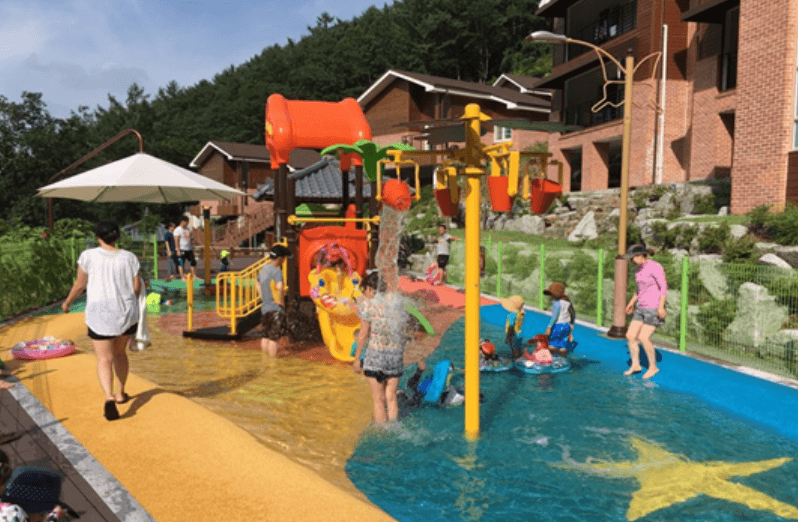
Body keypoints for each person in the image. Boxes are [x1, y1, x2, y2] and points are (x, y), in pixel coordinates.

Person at [62, 221, 141, 421]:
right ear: (117, 237)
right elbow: (136, 287)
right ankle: (120, 393)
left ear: (98, 237)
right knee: (120, 353)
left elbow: (80, 284)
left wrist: (68, 302)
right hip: (125, 311)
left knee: (104, 359)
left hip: (99, 313)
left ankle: (108, 397)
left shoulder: (87, 256)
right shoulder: (129, 257)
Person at [353, 272, 410, 423]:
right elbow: (404, 330)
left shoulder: (368, 306)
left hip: (376, 355)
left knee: (378, 399)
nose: (364, 293)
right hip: (395, 354)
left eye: (365, 290)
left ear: (371, 289)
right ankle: (394, 428)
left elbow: (363, 334)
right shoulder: (396, 303)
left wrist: (357, 358)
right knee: (391, 397)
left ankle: (381, 431)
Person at [623, 244, 668, 380]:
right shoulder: (636, 269)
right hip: (640, 308)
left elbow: (663, 288)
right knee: (630, 336)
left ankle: (653, 367)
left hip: (653, 308)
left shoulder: (655, 267)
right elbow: (639, 289)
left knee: (643, 337)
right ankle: (636, 365)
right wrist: (631, 302)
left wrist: (661, 307)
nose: (631, 260)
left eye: (633, 258)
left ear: (640, 256)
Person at [256, 244, 291, 356]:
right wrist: (281, 301)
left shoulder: (264, 269)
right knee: (274, 338)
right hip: (276, 308)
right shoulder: (277, 271)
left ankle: (265, 359)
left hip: (265, 308)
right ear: (280, 258)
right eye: (284, 258)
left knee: (265, 336)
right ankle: (272, 363)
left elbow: (257, 282)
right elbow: (279, 287)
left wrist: (262, 296)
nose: (284, 261)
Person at [543, 282, 576, 357]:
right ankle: (563, 358)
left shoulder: (557, 303)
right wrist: (572, 323)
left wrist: (549, 327)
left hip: (558, 325)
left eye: (551, 294)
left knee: (552, 344)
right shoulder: (567, 302)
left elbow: (555, 317)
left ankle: (550, 358)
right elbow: (572, 313)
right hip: (566, 326)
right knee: (563, 345)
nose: (550, 297)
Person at [501, 295, 525, 359]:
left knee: (514, 350)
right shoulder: (520, 313)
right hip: (519, 333)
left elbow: (511, 326)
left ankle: (517, 360)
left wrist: (508, 337)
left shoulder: (512, 315)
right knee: (518, 348)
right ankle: (520, 357)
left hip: (514, 335)